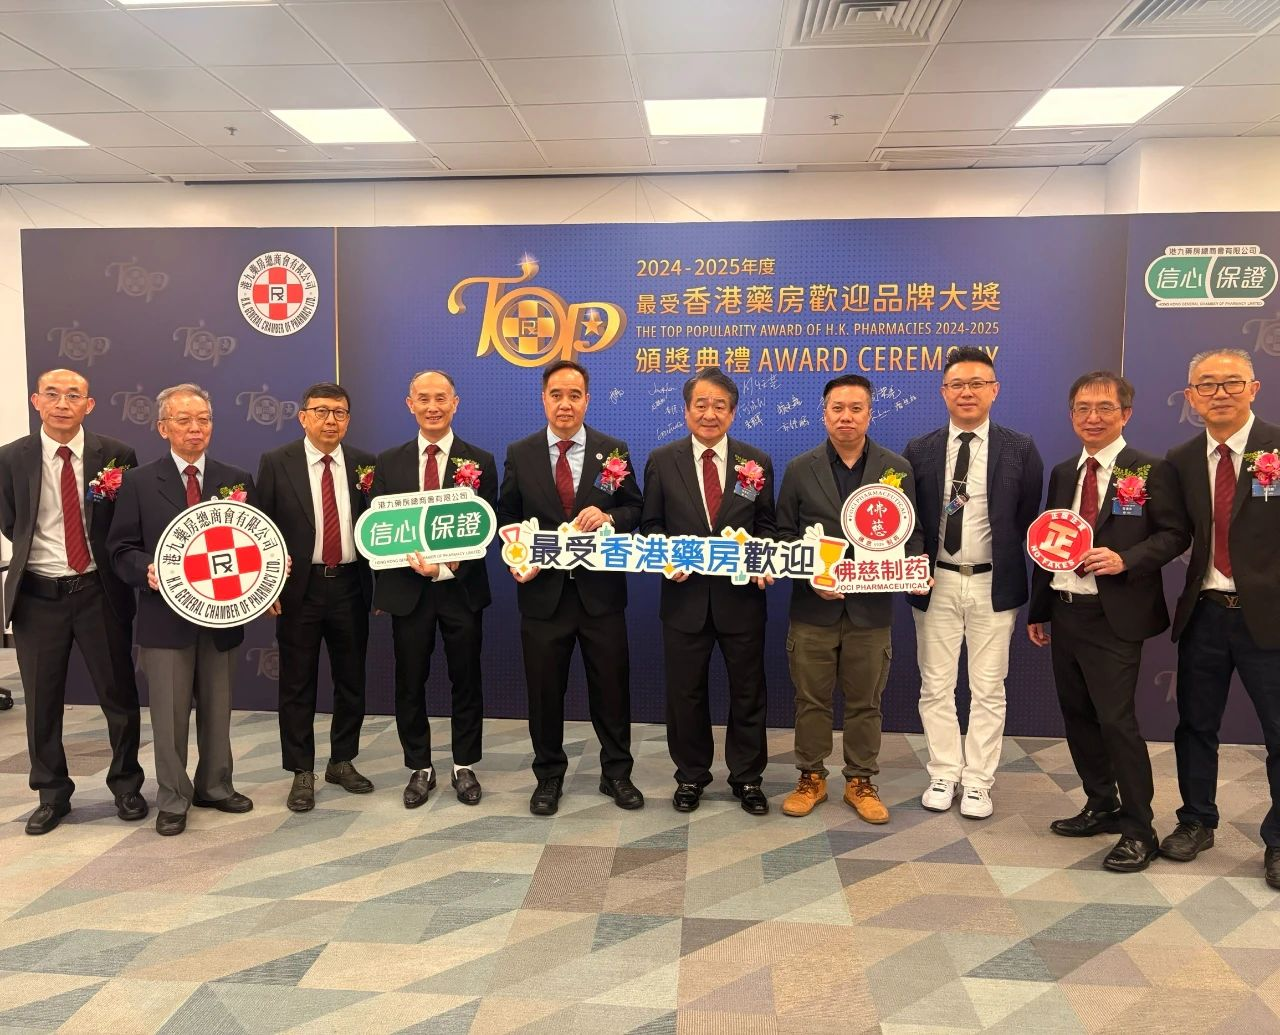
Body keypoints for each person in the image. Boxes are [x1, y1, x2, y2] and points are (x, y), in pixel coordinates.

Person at [1027, 372, 1190, 872]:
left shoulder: (1149, 469)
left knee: (1116, 722)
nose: (1092, 417)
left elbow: (1175, 534)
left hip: (1113, 616)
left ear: (1126, 414)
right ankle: (1101, 804)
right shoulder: (1063, 472)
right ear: (1071, 415)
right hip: (1066, 610)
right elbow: (1048, 541)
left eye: (1104, 408)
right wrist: (1040, 609)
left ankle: (1140, 829)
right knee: (1077, 716)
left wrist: (1126, 559)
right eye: (1083, 408)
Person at [0, 368, 145, 835]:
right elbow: (11, 523)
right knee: (42, 701)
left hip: (99, 592)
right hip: (38, 595)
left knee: (118, 696)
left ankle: (126, 785)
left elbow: (126, 522)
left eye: (73, 395)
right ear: (36, 401)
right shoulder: (10, 458)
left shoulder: (116, 455)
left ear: (89, 404)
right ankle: (51, 793)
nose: (62, 403)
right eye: (52, 394)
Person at [497, 359, 644, 816]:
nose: (565, 404)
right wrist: (517, 557)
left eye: (574, 395)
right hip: (543, 596)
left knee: (611, 690)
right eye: (556, 395)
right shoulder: (520, 452)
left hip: (601, 597)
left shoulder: (612, 451)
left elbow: (636, 509)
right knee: (545, 693)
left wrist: (610, 516)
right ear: (544, 399)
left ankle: (616, 773)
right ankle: (548, 777)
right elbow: (506, 517)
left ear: (587, 400)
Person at [107, 383, 255, 836]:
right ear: (163, 427)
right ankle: (173, 798)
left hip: (222, 617)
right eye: (184, 420)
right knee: (168, 716)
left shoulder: (235, 479)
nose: (195, 429)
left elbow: (254, 540)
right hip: (164, 618)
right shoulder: (138, 482)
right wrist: (147, 570)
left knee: (218, 708)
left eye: (203, 420)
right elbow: (120, 549)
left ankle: (215, 784)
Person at [903, 346, 1043, 819]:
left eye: (977, 383)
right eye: (957, 384)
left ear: (994, 390)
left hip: (992, 583)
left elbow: (1025, 517)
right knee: (935, 685)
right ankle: (944, 772)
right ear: (943, 392)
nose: (967, 392)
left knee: (988, 687)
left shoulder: (1020, 447)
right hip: (936, 581)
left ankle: (979, 781)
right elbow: (911, 520)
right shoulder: (920, 450)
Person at [776, 374, 922, 823]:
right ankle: (811, 777)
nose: (846, 417)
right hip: (813, 608)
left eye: (856, 408)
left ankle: (860, 780)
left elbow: (911, 535)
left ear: (870, 414)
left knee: (866, 702)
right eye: (837, 408)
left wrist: (915, 571)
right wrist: (811, 576)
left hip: (870, 611)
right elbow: (783, 535)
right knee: (811, 700)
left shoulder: (896, 468)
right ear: (824, 414)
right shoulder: (800, 469)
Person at [1159, 348, 1280, 891]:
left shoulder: (1277, 447)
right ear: (1191, 397)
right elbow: (1171, 533)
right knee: (1195, 725)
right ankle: (1196, 820)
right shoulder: (1181, 458)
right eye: (1206, 385)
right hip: (1205, 612)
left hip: (1270, 616)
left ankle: (1279, 840)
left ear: (1254, 388)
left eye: (1232, 382)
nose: (1220, 393)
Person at [640, 368, 775, 816]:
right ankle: (690, 775)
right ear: (686, 411)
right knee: (686, 695)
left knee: (748, 693)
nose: (709, 413)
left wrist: (762, 560)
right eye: (701, 404)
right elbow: (651, 526)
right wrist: (666, 556)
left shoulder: (755, 462)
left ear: (733, 413)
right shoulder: (663, 460)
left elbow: (767, 526)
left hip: (742, 601)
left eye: (720, 405)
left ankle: (747, 777)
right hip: (685, 600)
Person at [371, 370, 495, 808]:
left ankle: (464, 765)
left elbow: (485, 526)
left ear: (455, 403)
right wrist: (390, 582)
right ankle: (419, 767)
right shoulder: (389, 462)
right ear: (410, 405)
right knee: (410, 681)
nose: (432, 407)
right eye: (423, 399)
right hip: (408, 592)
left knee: (467, 679)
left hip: (461, 590)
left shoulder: (479, 461)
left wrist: (448, 564)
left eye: (441, 398)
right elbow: (379, 531)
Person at [256, 382, 375, 812]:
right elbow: (261, 528)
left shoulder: (365, 464)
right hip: (299, 590)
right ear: (303, 416)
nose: (330, 420)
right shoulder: (277, 462)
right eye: (321, 411)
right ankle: (301, 770)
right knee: (297, 683)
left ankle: (342, 760)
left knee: (351, 680)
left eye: (339, 413)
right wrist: (267, 586)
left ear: (348, 419)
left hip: (350, 585)